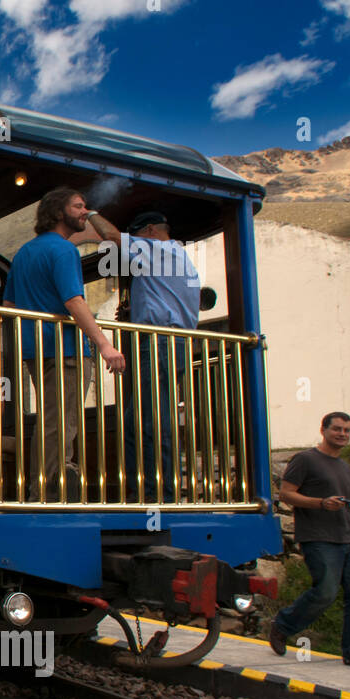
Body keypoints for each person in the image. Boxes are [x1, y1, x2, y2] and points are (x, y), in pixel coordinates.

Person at [3, 187, 125, 500]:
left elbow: (10, 306)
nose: (85, 212)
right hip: (66, 351)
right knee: (62, 424)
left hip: (35, 350)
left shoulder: (23, 254)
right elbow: (74, 300)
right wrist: (104, 345)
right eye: (79, 206)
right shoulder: (64, 250)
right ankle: (46, 495)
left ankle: (40, 491)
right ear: (59, 213)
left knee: (50, 422)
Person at [78, 209, 199, 501]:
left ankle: (159, 494)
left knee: (150, 420)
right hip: (172, 342)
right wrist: (136, 312)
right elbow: (170, 298)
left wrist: (90, 212)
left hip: (159, 342)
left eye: (136, 235)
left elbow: (110, 236)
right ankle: (145, 490)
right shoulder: (176, 257)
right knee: (139, 420)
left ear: (149, 231)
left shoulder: (159, 248)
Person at [269, 412, 350, 662]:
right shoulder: (305, 459)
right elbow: (286, 494)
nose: (342, 434)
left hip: (347, 537)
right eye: (337, 429)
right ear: (323, 430)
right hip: (318, 537)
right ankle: (283, 625)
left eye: (347, 431)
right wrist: (321, 503)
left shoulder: (343, 465)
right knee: (326, 592)